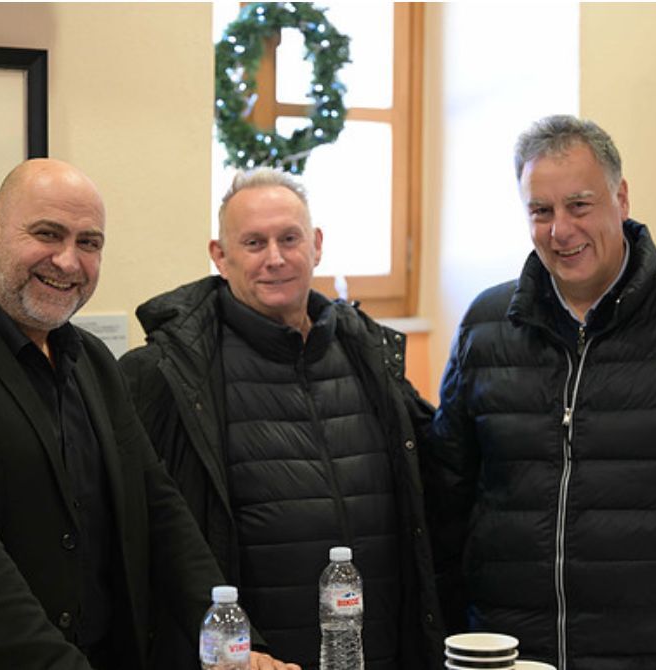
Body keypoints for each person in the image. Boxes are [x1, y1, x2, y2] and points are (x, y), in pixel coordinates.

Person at [0, 158, 299, 670]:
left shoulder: (93, 361)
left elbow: (159, 511)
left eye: (89, 243)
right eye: (47, 234)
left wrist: (236, 645)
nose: (68, 261)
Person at [431, 115, 656, 669]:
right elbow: (447, 509)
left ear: (621, 199)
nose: (560, 230)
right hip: (517, 653)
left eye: (579, 205)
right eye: (540, 211)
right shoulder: (486, 326)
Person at [119, 167, 446, 670]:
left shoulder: (369, 355)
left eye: (289, 238)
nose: (275, 258)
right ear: (220, 256)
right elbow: (153, 540)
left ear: (316, 245)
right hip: (250, 661)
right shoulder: (170, 376)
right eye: (253, 243)